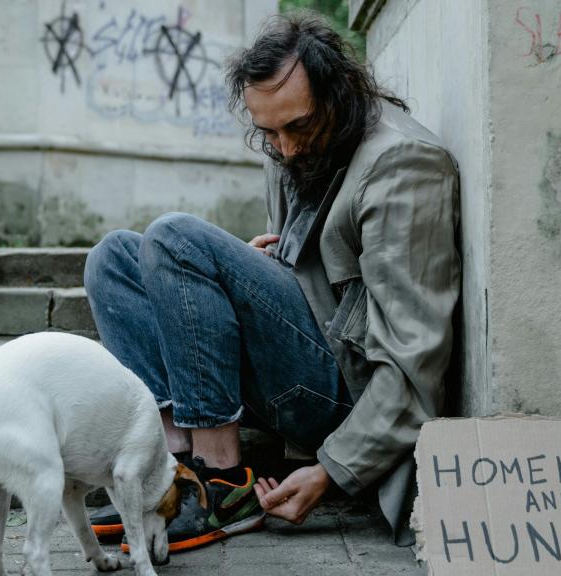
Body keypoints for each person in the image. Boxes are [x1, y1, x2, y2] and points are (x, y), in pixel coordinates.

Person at [83, 11, 460, 551]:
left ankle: (222, 485)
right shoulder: (291, 144)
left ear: (341, 94)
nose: (285, 149)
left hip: (349, 396)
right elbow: (307, 266)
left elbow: (414, 362)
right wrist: (270, 261)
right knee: (112, 258)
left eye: (299, 128)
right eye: (269, 133)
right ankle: (166, 474)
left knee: (175, 237)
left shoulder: (404, 164)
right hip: (302, 355)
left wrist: (331, 470)